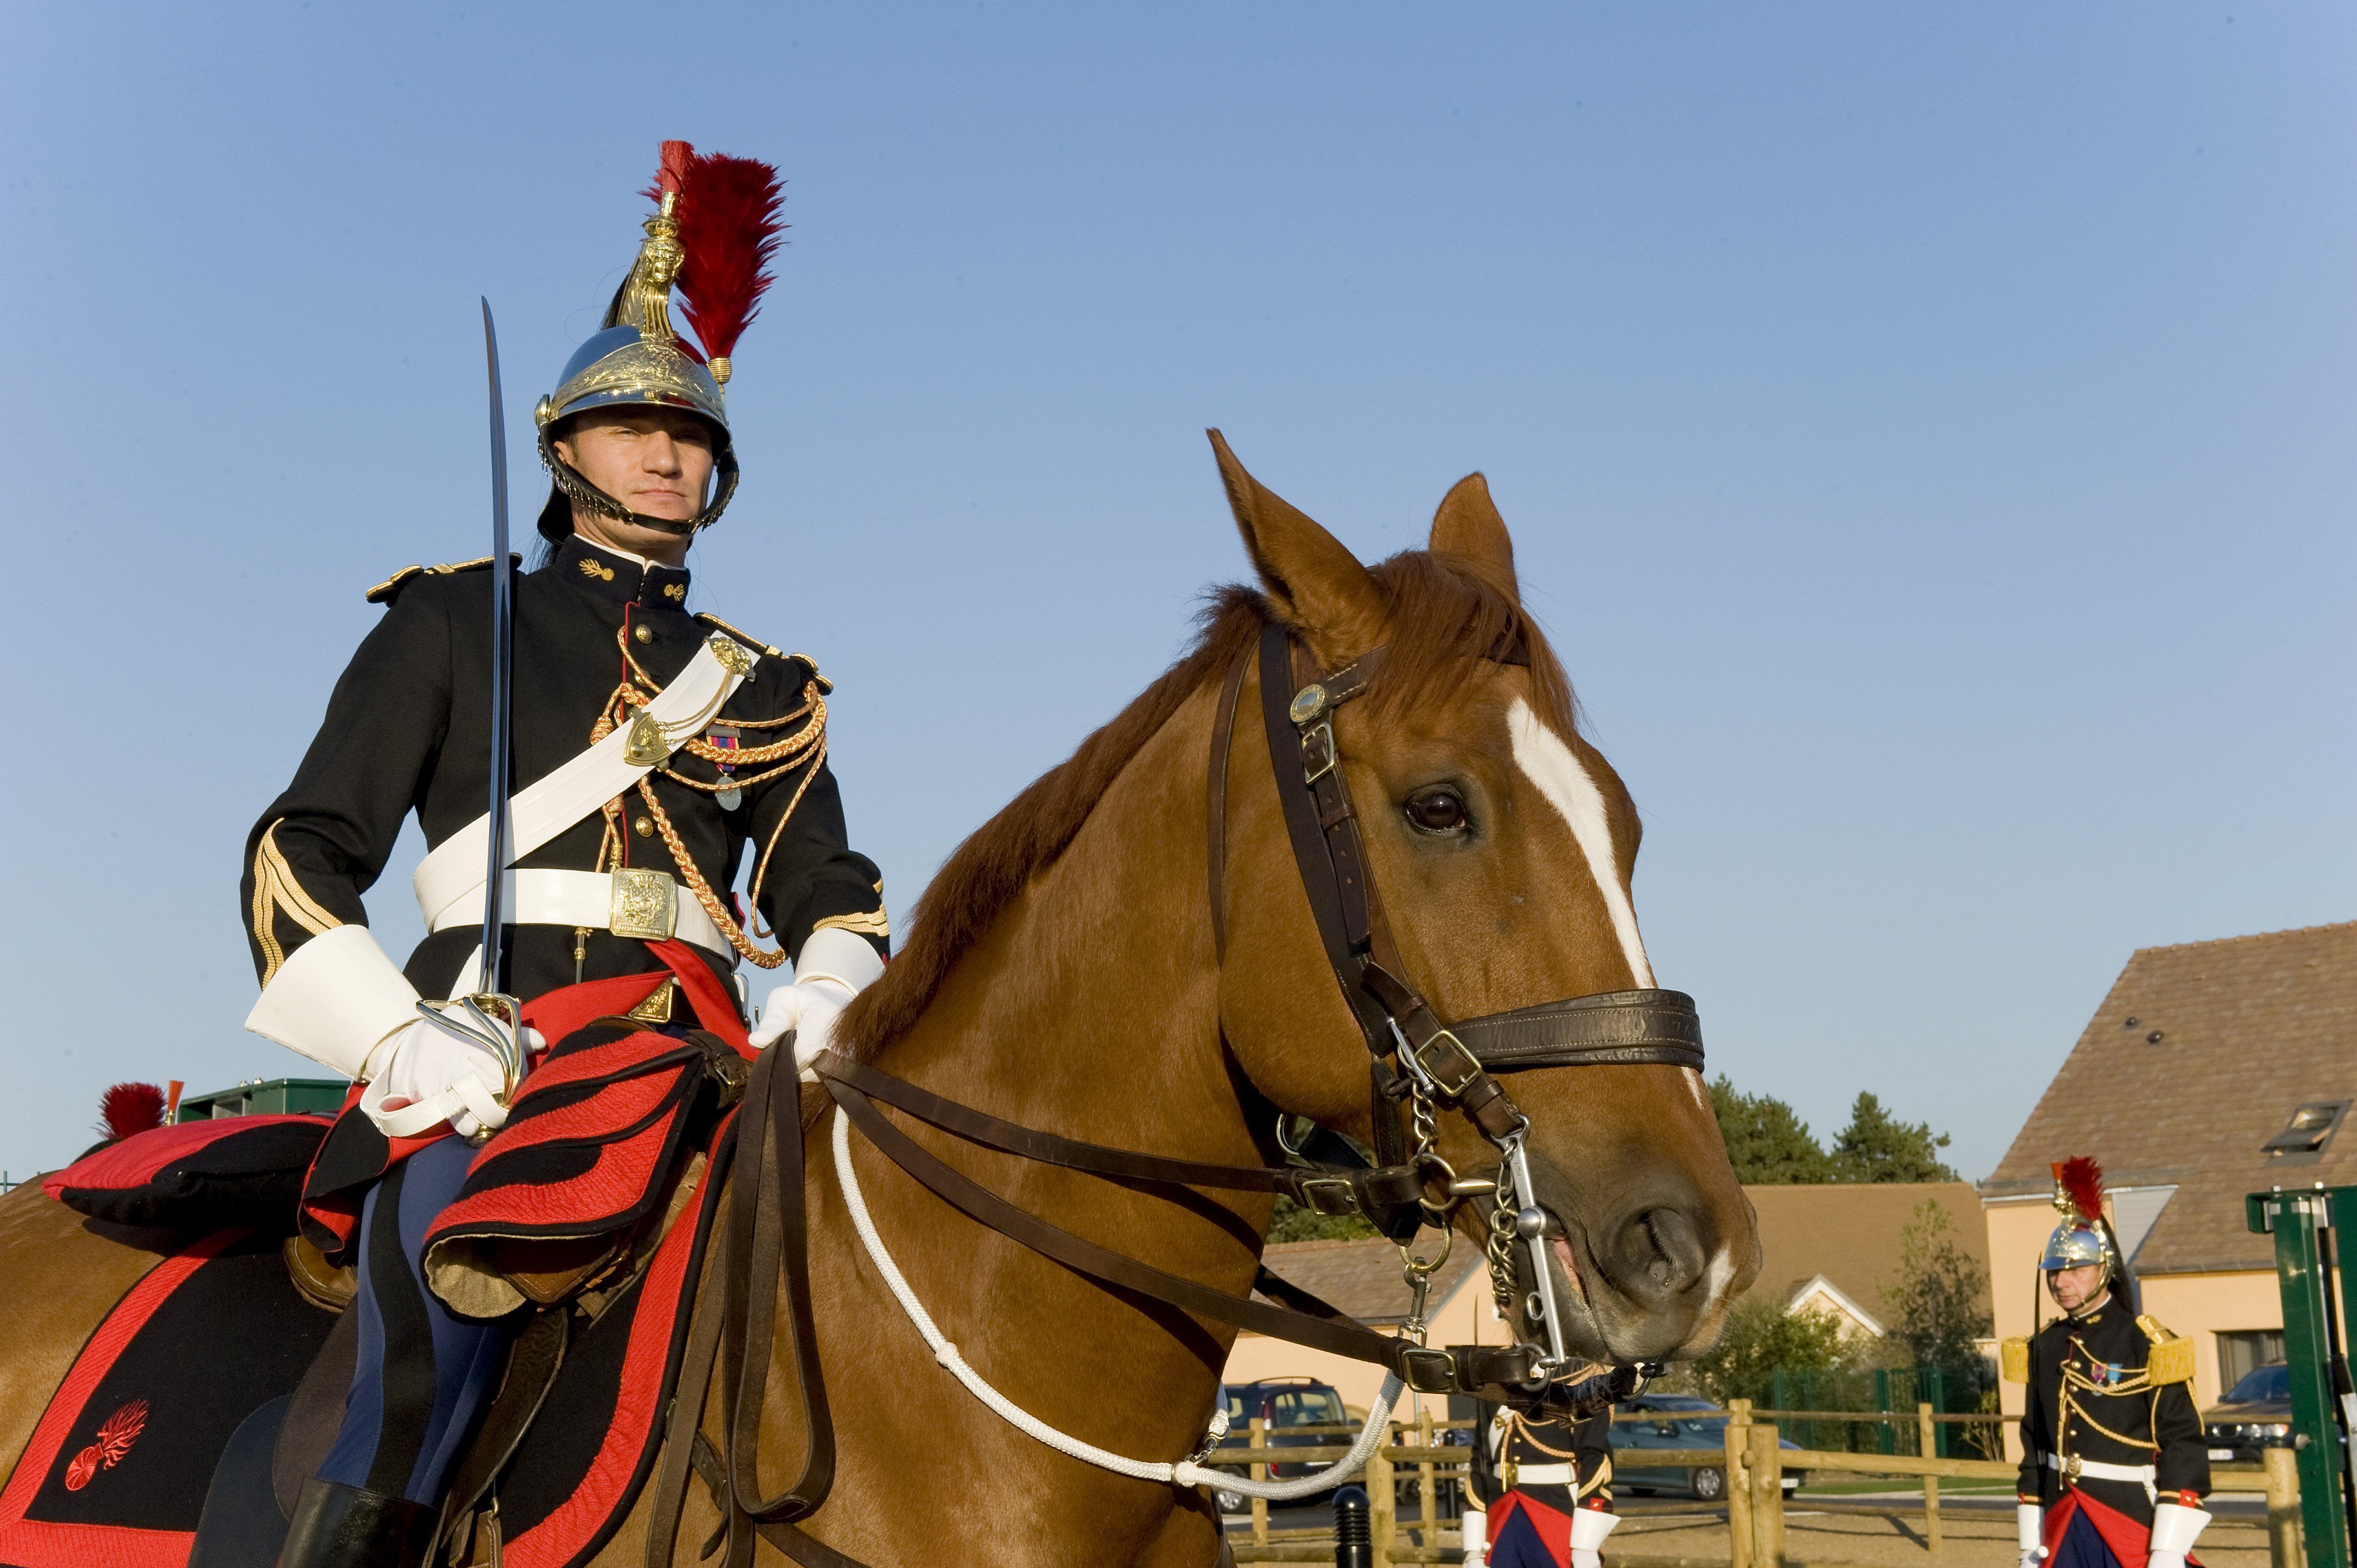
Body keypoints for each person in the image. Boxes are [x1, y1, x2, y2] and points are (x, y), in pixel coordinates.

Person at [239, 142, 889, 1568]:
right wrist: (398, 1035)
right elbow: (300, 850)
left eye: (692, 435)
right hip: (492, 1060)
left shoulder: (762, 686)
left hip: (702, 1055)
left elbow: (830, 888)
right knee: (437, 1324)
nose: (666, 454)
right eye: (631, 427)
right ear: (563, 451)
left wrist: (826, 988)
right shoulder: (450, 623)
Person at [2008, 1158, 2209, 1568]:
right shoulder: (2045, 1346)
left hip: (2129, 1519)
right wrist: (2030, 1543)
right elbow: (2035, 1450)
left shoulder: (2148, 1344)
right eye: (2054, 1272)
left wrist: (2168, 1547)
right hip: (2062, 1522)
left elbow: (2182, 1444)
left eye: (2076, 1269)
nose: (2061, 1282)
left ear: (2105, 1270)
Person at [1464, 1396, 1619, 1568]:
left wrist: (1586, 1544)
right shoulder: (1495, 1389)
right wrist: (1474, 1547)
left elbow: (1595, 1460)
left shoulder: (1580, 1388)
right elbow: (1480, 1463)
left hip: (1556, 1515)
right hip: (1501, 1515)